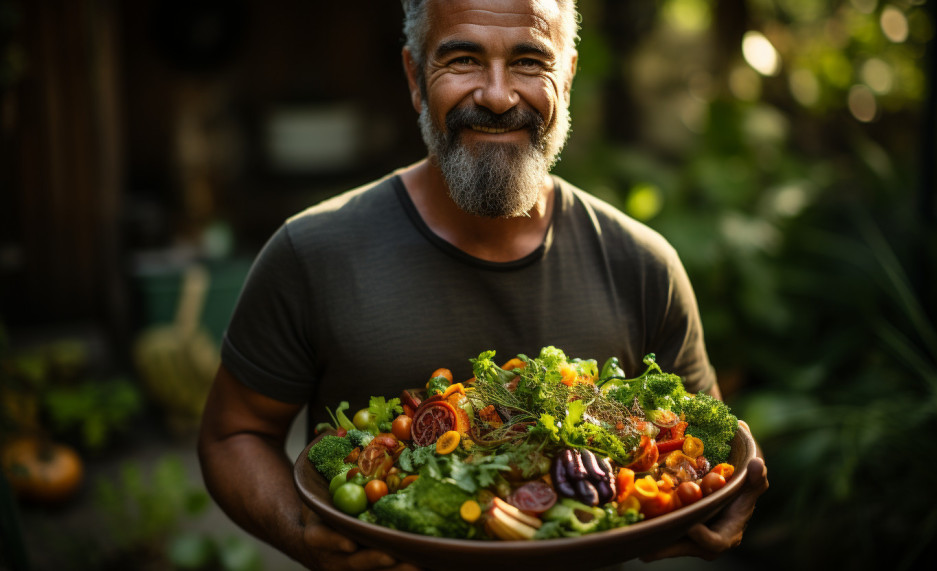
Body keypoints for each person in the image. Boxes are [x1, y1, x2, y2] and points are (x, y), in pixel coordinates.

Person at [197, 1, 768, 570]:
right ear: (415, 78)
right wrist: (302, 532)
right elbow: (233, 435)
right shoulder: (311, 254)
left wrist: (727, 487)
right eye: (464, 59)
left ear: (565, 77)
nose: (497, 96)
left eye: (528, 61)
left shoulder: (643, 266)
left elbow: (704, 446)